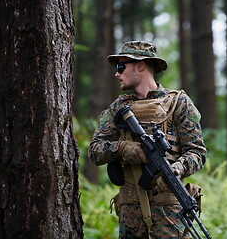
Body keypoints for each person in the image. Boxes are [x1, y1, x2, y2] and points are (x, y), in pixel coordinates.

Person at [88, 41, 207, 239]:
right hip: (130, 216)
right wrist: (122, 147)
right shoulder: (118, 108)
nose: (117, 73)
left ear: (140, 65)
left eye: (121, 66)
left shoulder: (179, 103)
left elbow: (198, 153)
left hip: (169, 214)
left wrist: (177, 168)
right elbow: (95, 151)